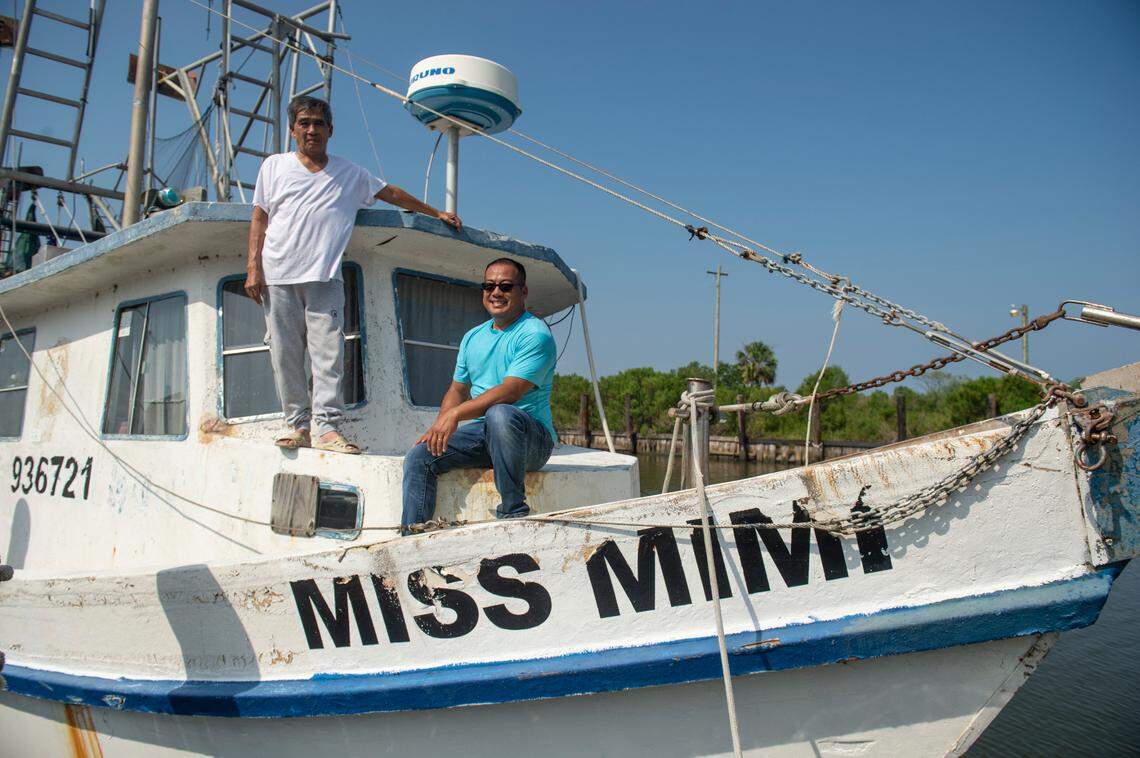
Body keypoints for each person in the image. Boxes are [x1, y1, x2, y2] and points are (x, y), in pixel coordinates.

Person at [245, 95, 460, 453]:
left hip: (325, 275)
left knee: (327, 354)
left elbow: (390, 192)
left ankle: (328, 428)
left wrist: (434, 211)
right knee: (284, 353)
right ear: (293, 129)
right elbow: (259, 217)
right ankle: (297, 425)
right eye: (304, 123)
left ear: (330, 130)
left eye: (318, 123)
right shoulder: (274, 167)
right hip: (278, 273)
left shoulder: (350, 173)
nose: (311, 130)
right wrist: (253, 266)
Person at [401, 257, 557, 532]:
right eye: (489, 286)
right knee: (419, 457)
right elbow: (457, 389)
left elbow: (511, 391)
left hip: (531, 440)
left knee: (500, 414)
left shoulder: (535, 335)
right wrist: (440, 425)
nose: (496, 293)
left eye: (506, 286)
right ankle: (412, 536)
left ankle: (513, 513)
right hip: (485, 435)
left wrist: (456, 414)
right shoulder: (472, 337)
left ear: (523, 291)